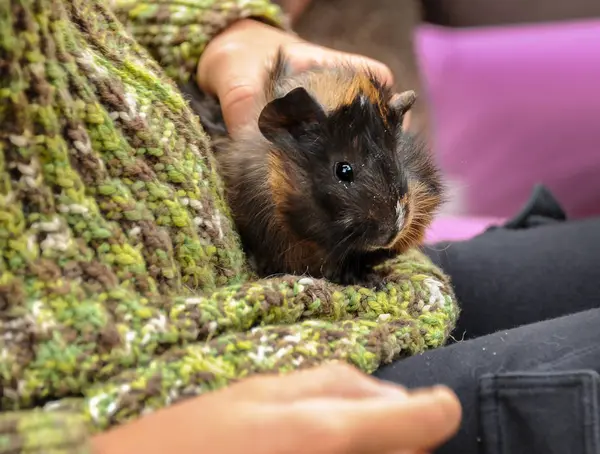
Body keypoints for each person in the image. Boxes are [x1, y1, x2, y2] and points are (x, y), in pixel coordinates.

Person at [0, 0, 461, 452]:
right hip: (223, 359)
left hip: (332, 305)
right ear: (289, 131)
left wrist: (223, 31)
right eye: (344, 174)